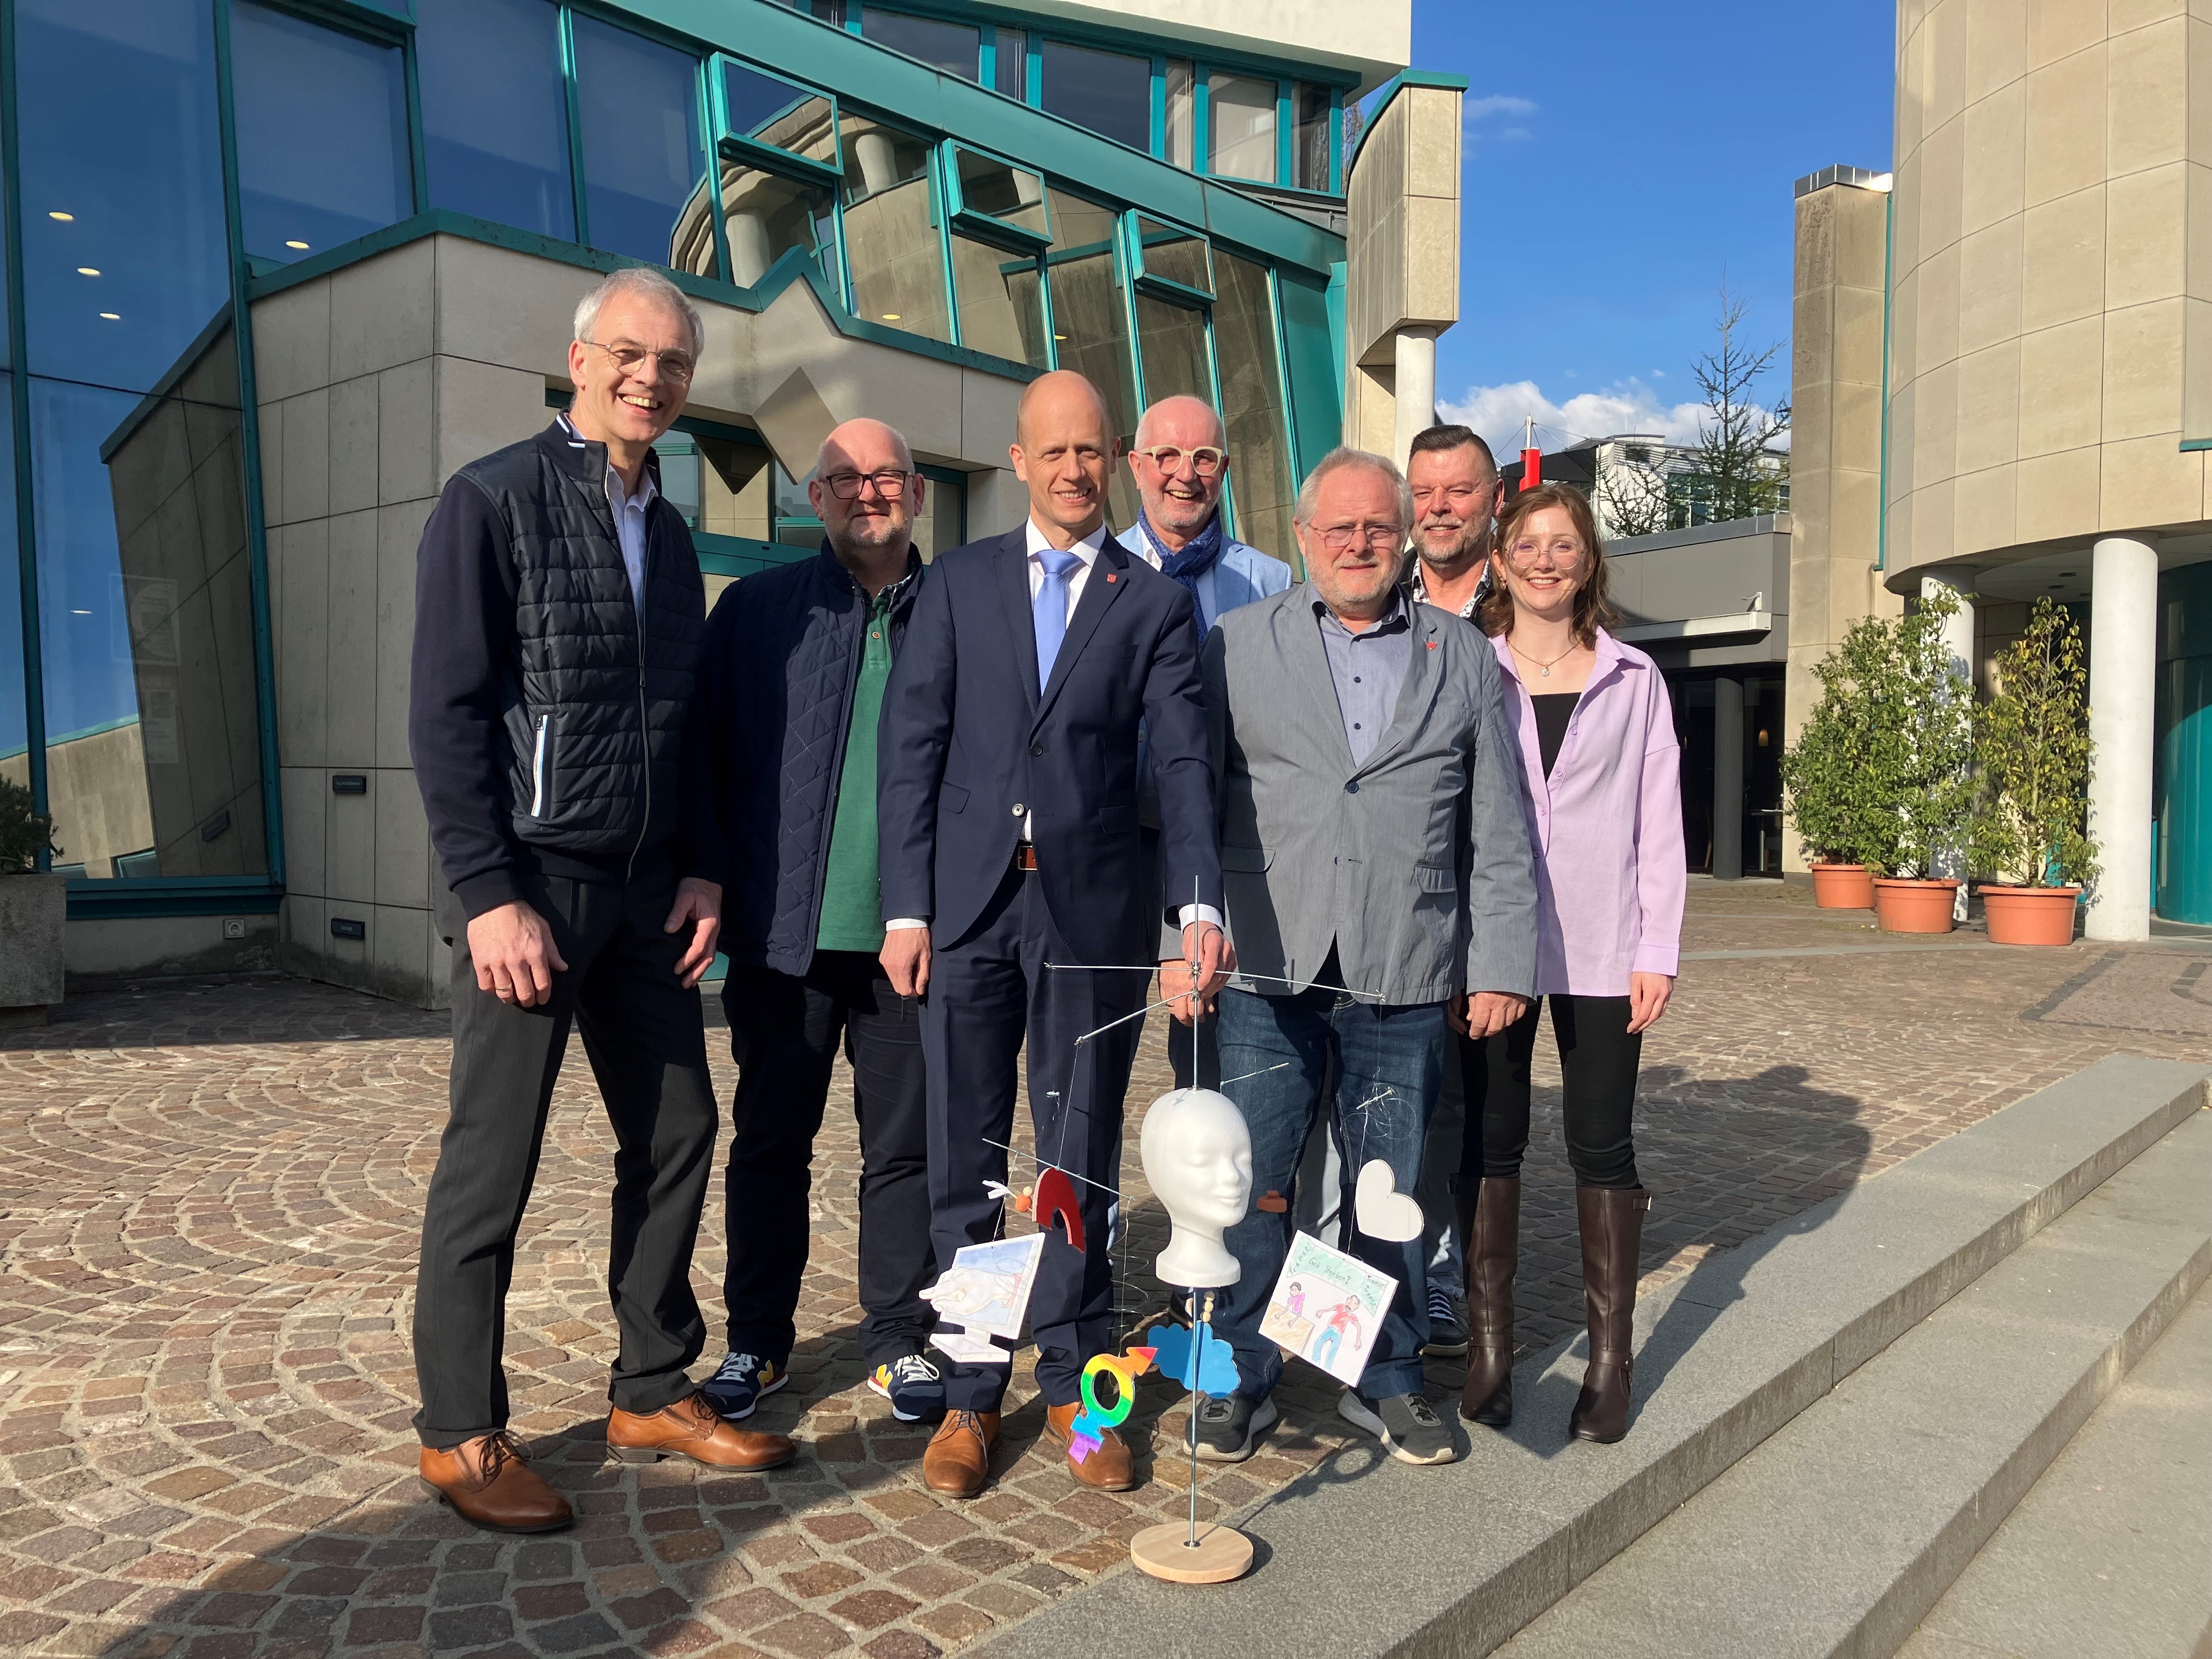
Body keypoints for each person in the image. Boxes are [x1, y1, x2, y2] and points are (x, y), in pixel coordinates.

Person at [407, 267, 795, 1534]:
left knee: (680, 1128)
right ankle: (460, 1431)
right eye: (632, 355)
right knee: (493, 1163)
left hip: (643, 898)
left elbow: (678, 727)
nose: (653, 378)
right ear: (581, 360)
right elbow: (449, 713)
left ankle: (647, 1384)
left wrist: (700, 863)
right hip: (530, 891)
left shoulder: (672, 533)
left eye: (674, 364)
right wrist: (485, 891)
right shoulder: (493, 502)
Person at [878, 369, 1229, 1500]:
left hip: (1094, 917)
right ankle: (974, 1393)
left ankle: (1084, 1393)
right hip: (971, 912)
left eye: (1093, 450)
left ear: (1110, 459)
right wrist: (906, 905)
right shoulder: (958, 584)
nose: (1075, 469)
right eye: (1055, 451)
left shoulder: (1151, 599)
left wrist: (1197, 907)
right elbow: (913, 746)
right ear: (1019, 461)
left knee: (1075, 1159)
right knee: (972, 1157)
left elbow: (1183, 764)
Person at [1192, 447, 1536, 1467]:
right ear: (1301, 536)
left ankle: (1379, 1375)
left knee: (1387, 1184)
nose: (1357, 543)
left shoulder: (1462, 654)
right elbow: (1184, 804)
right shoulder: (1235, 644)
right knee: (1253, 1181)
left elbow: (1499, 828)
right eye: (1336, 527)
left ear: (1404, 539)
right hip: (1266, 955)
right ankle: (1239, 1374)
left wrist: (1501, 960)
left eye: (1376, 527)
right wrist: (1183, 936)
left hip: (1404, 956)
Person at [686, 417, 945, 1430]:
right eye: (842, 478)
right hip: (783, 938)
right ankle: (758, 1336)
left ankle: (898, 1334)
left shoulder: (962, 611)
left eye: (885, 474)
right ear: (814, 496)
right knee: (769, 1144)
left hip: (908, 941)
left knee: (905, 1151)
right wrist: (708, 874)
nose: (865, 492)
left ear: (917, 493)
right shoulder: (755, 611)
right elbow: (703, 755)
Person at [1459, 482, 1683, 1446]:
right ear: (1500, 560)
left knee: (1600, 1142)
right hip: (1496, 944)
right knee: (1491, 1138)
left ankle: (1608, 1359)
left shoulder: (1634, 677)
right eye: (1528, 544)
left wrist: (1657, 945)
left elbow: (1660, 819)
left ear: (1589, 563)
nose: (1546, 558)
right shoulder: (1470, 667)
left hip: (1602, 945)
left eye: (1566, 545)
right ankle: (1491, 1351)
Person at [1120, 393, 1293, 1091]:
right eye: (1166, 455)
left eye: (1203, 458)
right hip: (1115, 839)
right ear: (1136, 466)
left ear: (1223, 469)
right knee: (1092, 1039)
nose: (1183, 473)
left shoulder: (1271, 583)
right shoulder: (1096, 570)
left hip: (1221, 837)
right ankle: (1086, 1199)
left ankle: (1217, 1196)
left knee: (1210, 1052)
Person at [1402, 425, 1510, 1358]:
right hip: (1399, 897)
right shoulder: (1366, 592)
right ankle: (1389, 1274)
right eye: (1425, 490)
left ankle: (1447, 1281)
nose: (1440, 507)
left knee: (1462, 1110)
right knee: (1392, 1098)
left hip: (1488, 894)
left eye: (1459, 491)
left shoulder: (1533, 604)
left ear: (1493, 501)